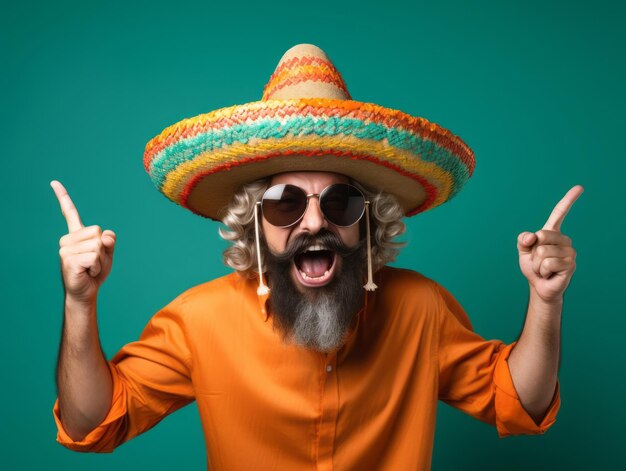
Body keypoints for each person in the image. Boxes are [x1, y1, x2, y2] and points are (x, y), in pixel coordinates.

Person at [51, 44, 582, 470]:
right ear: (252, 221)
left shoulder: (421, 308)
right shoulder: (198, 320)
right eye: (283, 205)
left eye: (340, 202)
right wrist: (80, 302)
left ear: (368, 220)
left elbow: (521, 401)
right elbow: (91, 422)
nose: (313, 223)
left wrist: (545, 299)